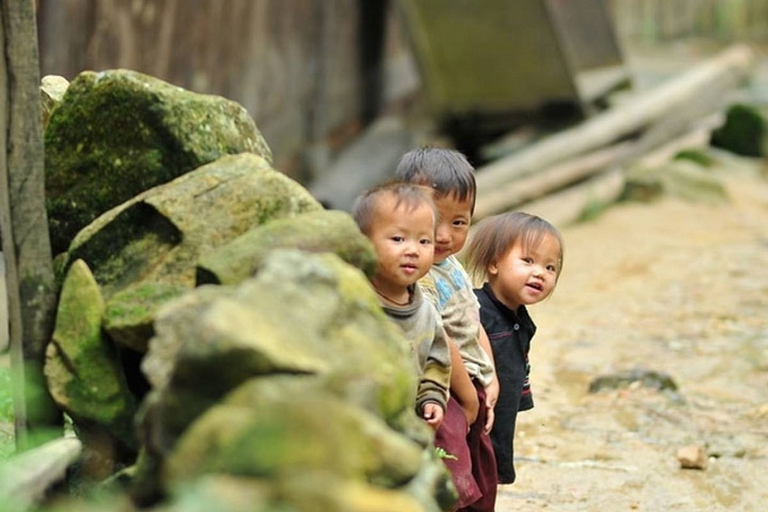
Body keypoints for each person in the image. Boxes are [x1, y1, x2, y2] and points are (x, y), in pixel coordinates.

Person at [395, 147, 499, 512]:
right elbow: (438, 338)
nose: (444, 235)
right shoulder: (417, 275)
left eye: (459, 223)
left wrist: (491, 373)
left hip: (472, 383)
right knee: (453, 476)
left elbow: (472, 318)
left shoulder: (452, 265)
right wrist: (469, 395)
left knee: (481, 474)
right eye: (434, 219)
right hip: (446, 388)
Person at [465, 211, 564, 485]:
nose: (539, 273)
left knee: (487, 484)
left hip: (499, 424)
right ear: (494, 263)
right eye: (528, 260)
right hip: (470, 423)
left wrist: (521, 397)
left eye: (550, 267)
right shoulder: (473, 309)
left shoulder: (522, 321)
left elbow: (518, 366)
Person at [351, 180, 452, 431]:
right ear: (363, 242)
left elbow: (435, 362)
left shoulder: (426, 312)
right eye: (398, 238)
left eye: (424, 241)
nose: (413, 250)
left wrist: (432, 398)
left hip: (407, 423)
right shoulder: (355, 302)